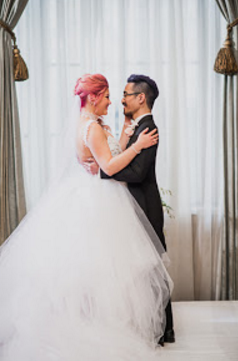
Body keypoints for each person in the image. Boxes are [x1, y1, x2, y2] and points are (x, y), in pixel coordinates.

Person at [0, 74, 170, 360]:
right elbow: (110, 167)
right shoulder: (91, 127)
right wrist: (137, 146)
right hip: (99, 198)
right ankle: (96, 324)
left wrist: (125, 137)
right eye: (106, 96)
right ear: (93, 97)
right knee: (101, 269)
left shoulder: (95, 124)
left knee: (103, 269)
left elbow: (108, 156)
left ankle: (102, 319)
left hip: (99, 194)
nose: (112, 101)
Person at [101, 74, 174, 344]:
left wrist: (105, 172)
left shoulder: (148, 128)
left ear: (140, 98)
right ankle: (161, 327)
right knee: (144, 268)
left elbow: (139, 173)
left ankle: (163, 329)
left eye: (126, 94)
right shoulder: (139, 126)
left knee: (153, 268)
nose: (121, 99)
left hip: (146, 204)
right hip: (137, 205)